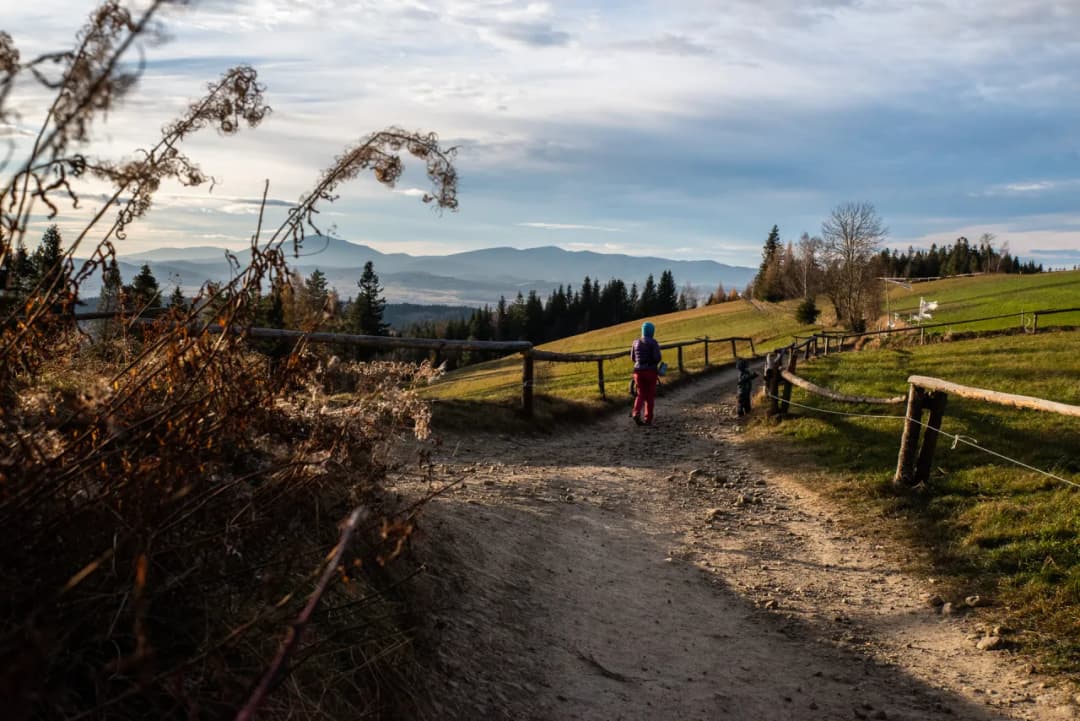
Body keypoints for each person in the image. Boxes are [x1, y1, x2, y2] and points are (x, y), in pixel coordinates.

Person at [630, 321, 662, 425]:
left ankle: (636, 412)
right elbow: (657, 357)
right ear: (652, 331)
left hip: (638, 371)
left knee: (640, 394)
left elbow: (633, 358)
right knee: (650, 396)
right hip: (650, 371)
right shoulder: (653, 342)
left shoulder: (635, 342)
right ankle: (648, 419)